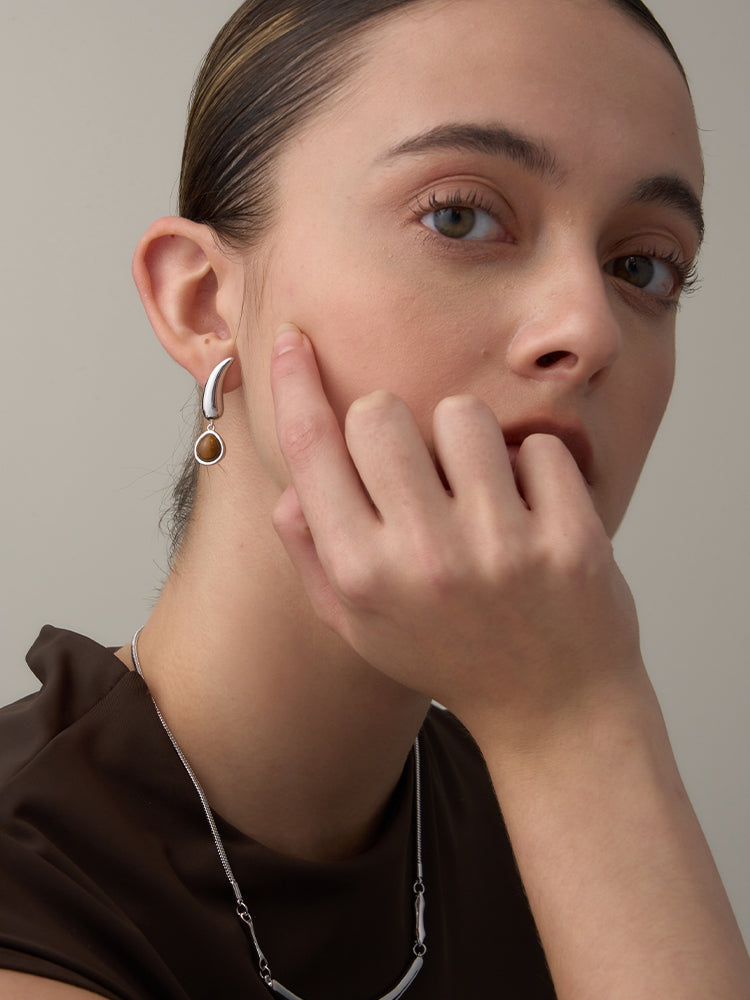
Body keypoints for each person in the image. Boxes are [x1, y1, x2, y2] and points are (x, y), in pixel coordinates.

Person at [1, 0, 748, 997]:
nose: (590, 327)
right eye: (461, 214)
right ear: (204, 303)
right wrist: (575, 715)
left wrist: (573, 727)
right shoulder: (30, 885)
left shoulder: (559, 800)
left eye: (640, 266)